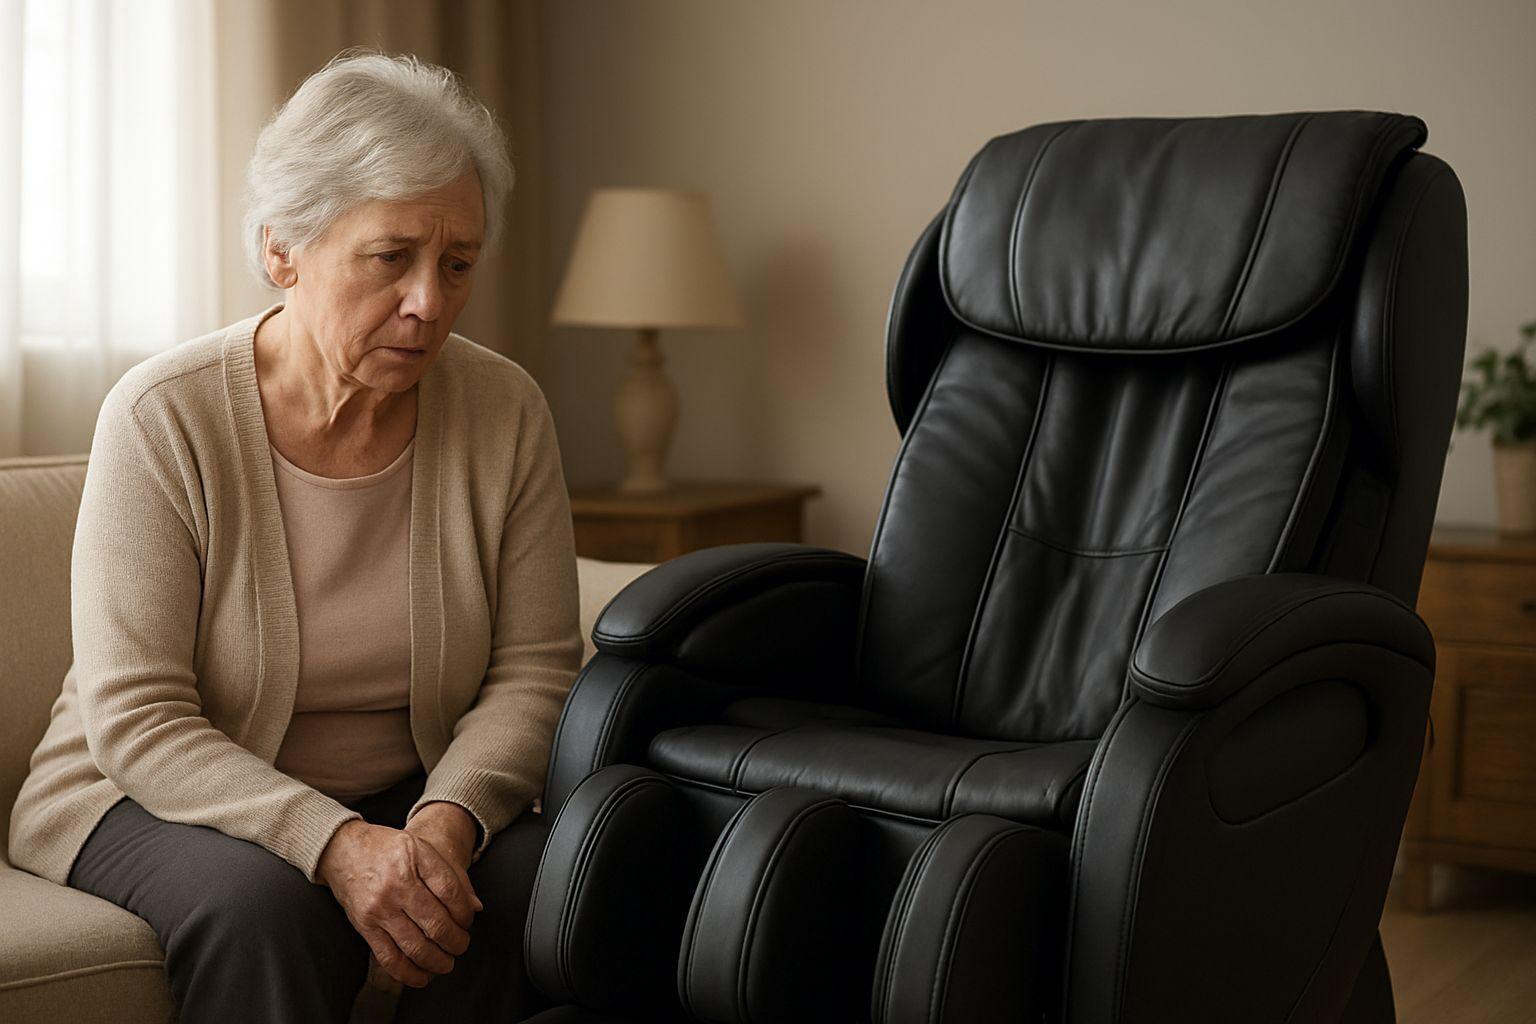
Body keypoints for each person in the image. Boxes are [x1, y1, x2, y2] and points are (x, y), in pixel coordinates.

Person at [6, 47, 580, 1022]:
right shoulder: (162, 416)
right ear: (283, 250)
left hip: (409, 787)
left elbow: (535, 669)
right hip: (143, 792)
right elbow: (137, 714)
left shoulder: (505, 410)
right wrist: (335, 843)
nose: (428, 303)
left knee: (541, 883)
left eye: (457, 263)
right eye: (391, 257)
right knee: (266, 906)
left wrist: (446, 817)